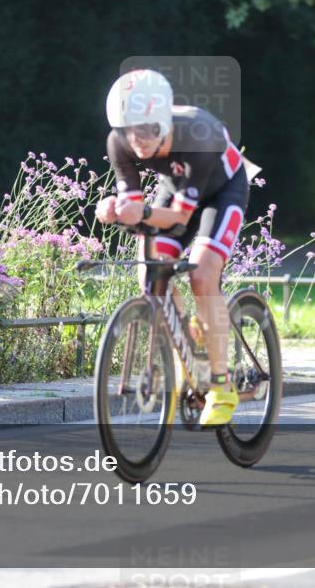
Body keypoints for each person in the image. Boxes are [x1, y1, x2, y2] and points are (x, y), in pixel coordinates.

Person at [95, 69, 249, 425]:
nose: (139, 140)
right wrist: (114, 210)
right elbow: (136, 212)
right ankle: (187, 352)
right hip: (176, 187)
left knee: (202, 275)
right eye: (129, 129)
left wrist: (142, 211)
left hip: (222, 192)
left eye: (148, 128)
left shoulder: (199, 132)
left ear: (165, 118)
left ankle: (222, 385)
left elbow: (180, 216)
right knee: (149, 279)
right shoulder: (119, 142)